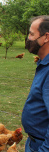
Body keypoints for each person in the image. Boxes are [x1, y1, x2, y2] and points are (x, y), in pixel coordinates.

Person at [22, 15, 49, 152]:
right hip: (33, 141)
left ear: (46, 37)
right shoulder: (43, 64)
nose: (28, 38)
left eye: (32, 34)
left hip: (41, 145)